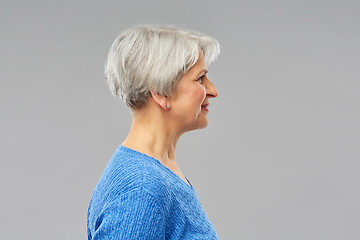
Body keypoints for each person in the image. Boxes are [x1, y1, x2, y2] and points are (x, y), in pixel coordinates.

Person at [87, 24, 220, 239]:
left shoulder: (159, 172)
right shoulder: (142, 188)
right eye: (200, 78)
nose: (212, 91)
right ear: (161, 92)